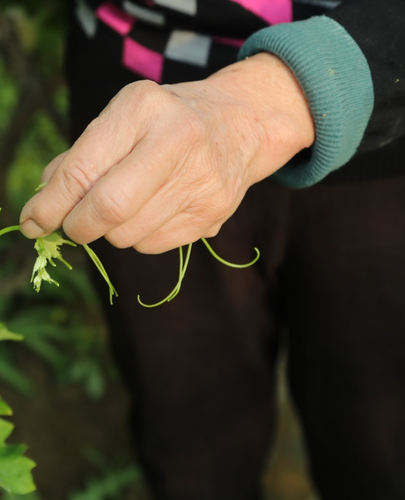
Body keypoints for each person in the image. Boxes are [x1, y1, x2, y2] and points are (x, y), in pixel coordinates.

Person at [20, 0, 405, 498]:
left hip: (388, 131)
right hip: (140, 126)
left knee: (382, 439)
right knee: (190, 445)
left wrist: (293, 91)